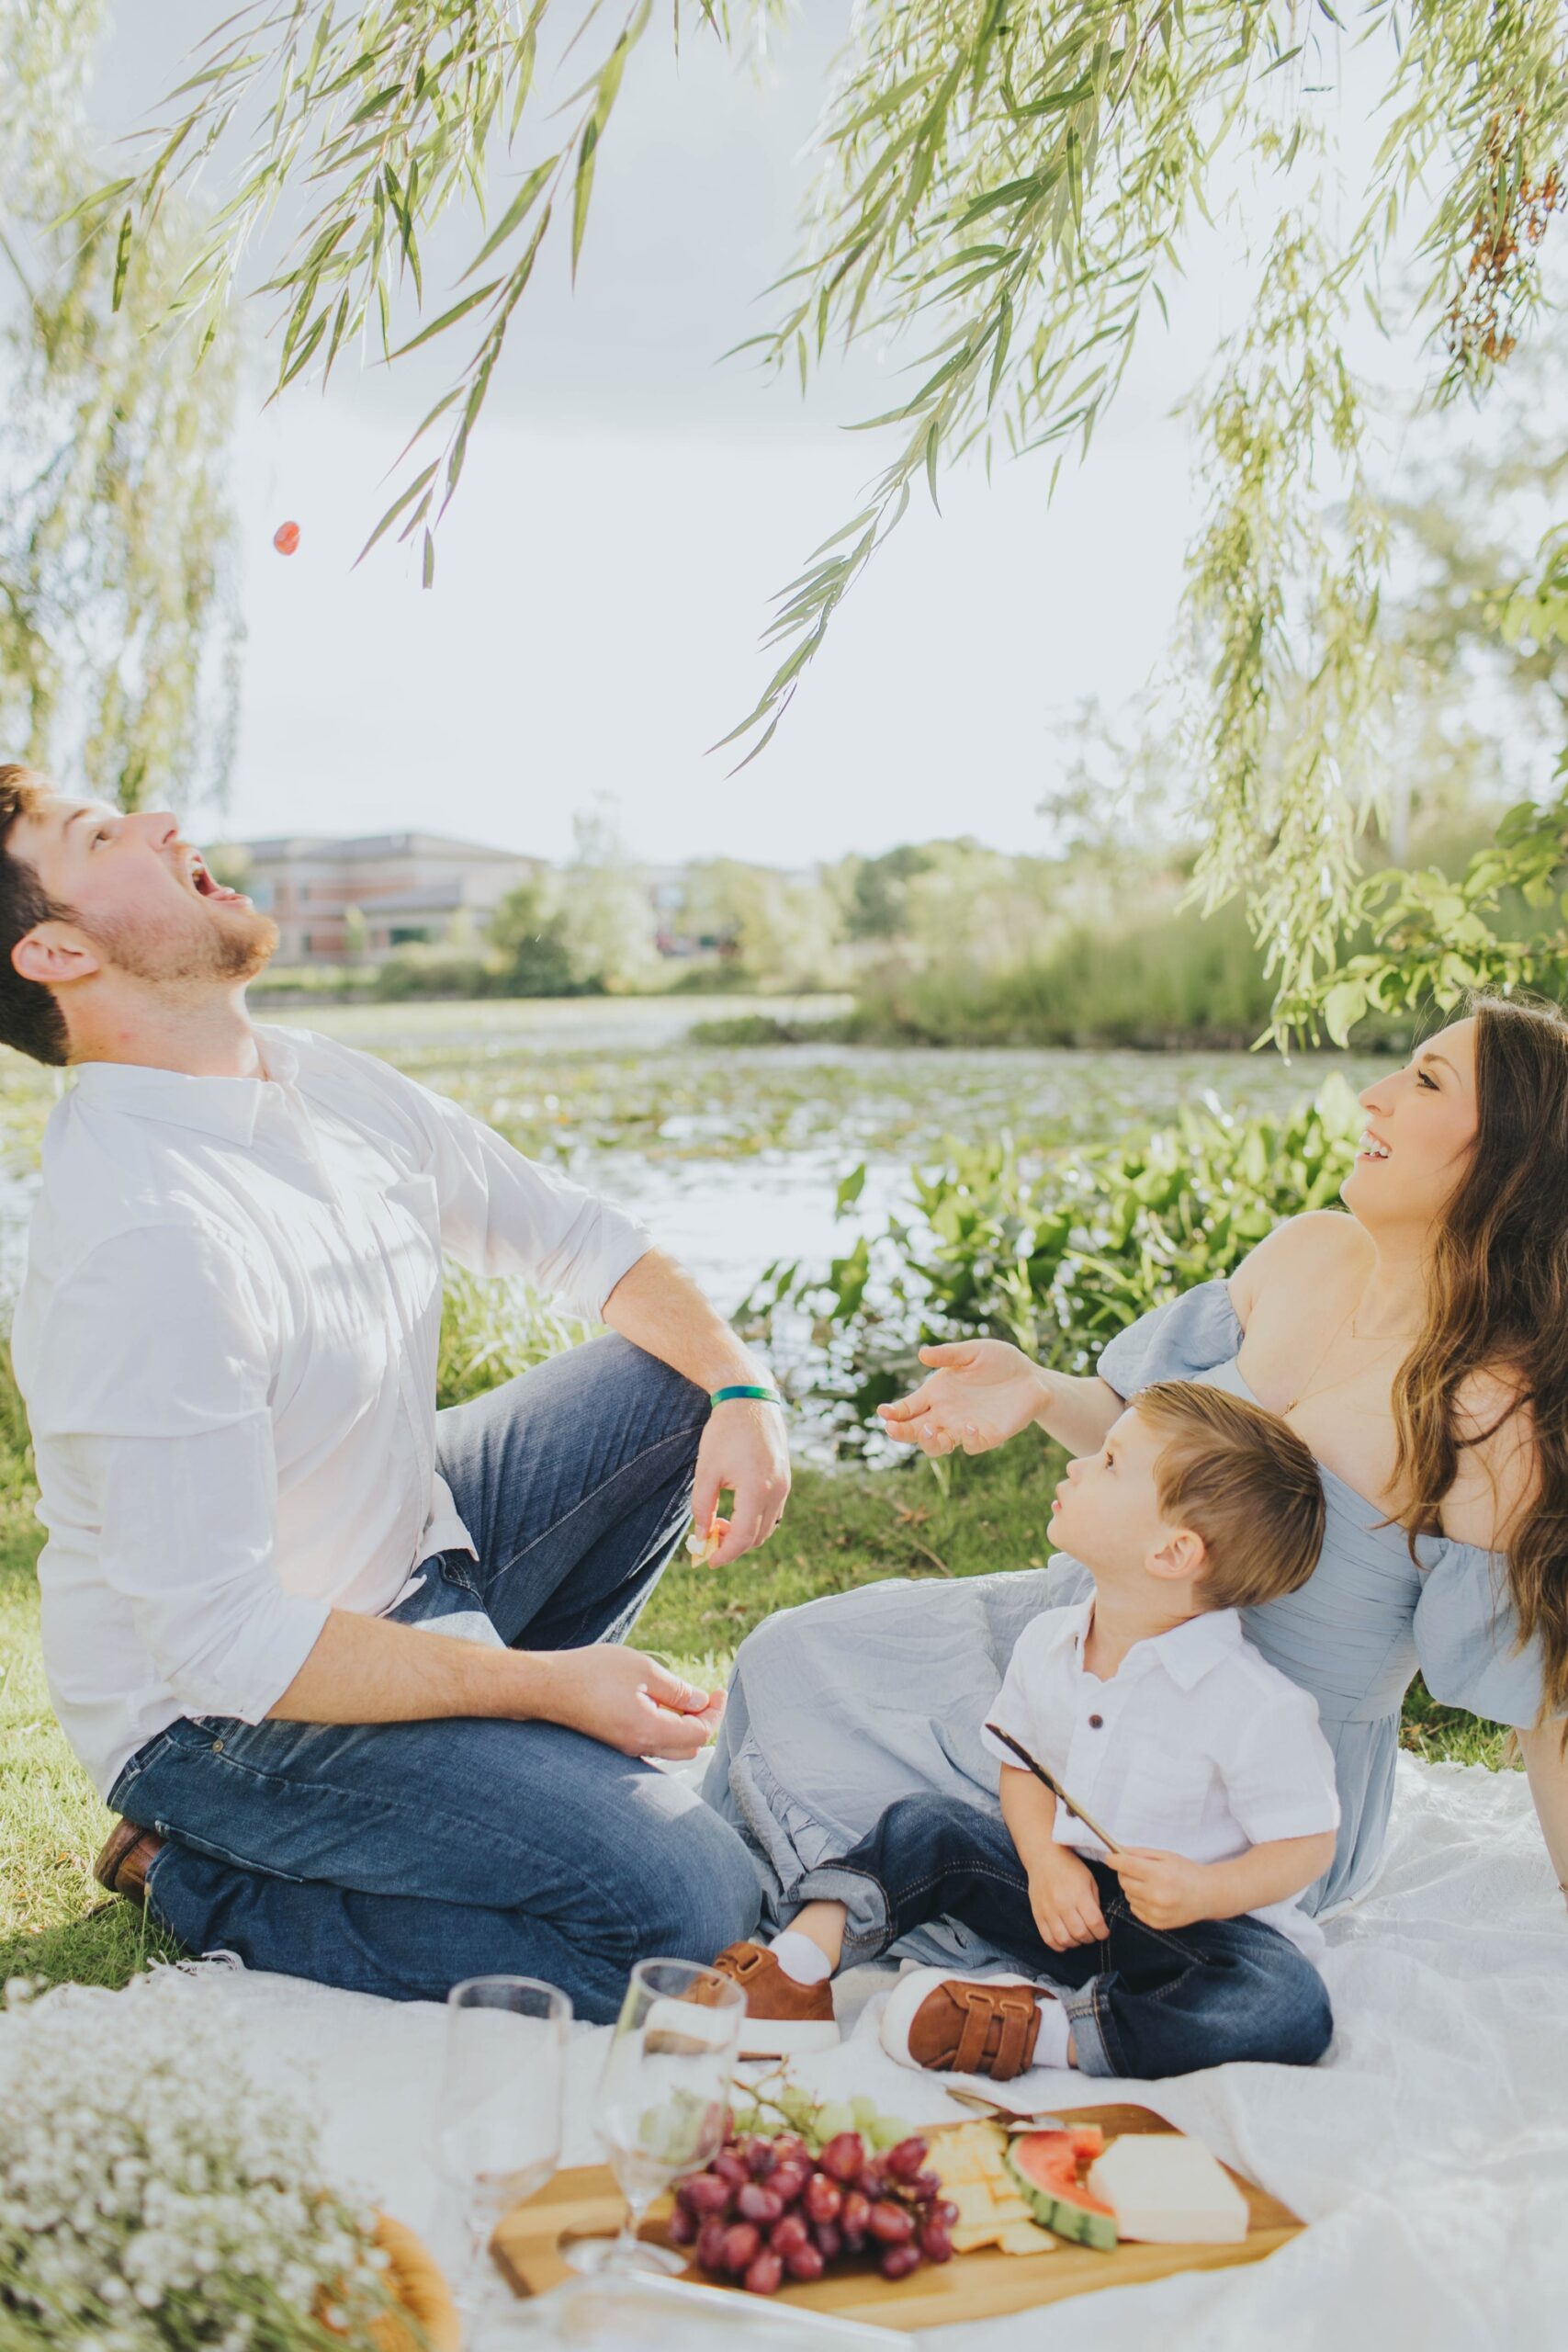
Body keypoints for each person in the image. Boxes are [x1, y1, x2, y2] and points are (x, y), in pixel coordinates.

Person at [0, 765, 788, 2018]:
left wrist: (744, 1390)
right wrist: (549, 1686)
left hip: (416, 1550)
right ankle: (204, 1881)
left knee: (675, 1378)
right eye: (103, 836)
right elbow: (221, 1644)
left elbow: (580, 1241)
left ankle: (495, 1770)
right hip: (219, 1719)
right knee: (693, 1914)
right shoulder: (142, 1241)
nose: (162, 823)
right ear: (54, 949)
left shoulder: (320, 1081)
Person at [703, 994, 1568, 1978]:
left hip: (1222, 1777)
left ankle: (806, 1928)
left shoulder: (1492, 1413)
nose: (1374, 1096)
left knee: (935, 1817)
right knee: (790, 1653)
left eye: (1422, 1081)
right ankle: (735, 1906)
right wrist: (1034, 1389)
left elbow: (1549, 1706)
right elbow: (1131, 1421)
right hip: (1077, 1639)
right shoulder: (1307, 1253)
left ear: (1514, 1154)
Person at [700, 1380, 1338, 2080]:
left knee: (1289, 2004)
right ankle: (791, 1975)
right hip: (1063, 1903)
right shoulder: (1051, 1642)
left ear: (1171, 1554)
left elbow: (1305, 1844)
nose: (1076, 1465)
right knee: (926, 1826)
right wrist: (1045, 1862)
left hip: (1198, 1937)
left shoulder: (1251, 1704)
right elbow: (1022, 1768)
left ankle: (1038, 2033)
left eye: (1110, 1463)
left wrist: (1208, 1893)